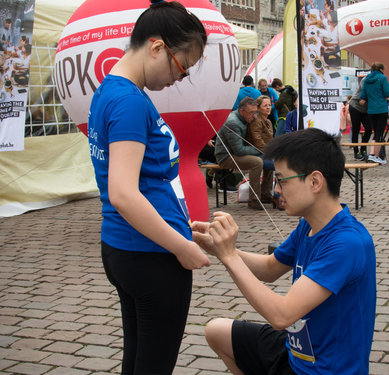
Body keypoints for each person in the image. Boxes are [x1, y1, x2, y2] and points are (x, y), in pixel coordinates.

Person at [87, 2, 211, 374]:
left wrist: (181, 227)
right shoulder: (128, 102)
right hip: (151, 256)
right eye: (182, 65)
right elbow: (123, 193)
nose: (180, 77)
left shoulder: (113, 92)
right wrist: (181, 246)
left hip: (131, 248)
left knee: (140, 362)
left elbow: (140, 181)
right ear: (157, 46)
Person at [192, 128, 377, 375]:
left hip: (325, 370)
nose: (277, 190)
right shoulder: (309, 224)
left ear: (314, 181)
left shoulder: (347, 243)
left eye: (282, 180)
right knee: (217, 331)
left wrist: (230, 256)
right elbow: (270, 268)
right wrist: (218, 248)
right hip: (296, 352)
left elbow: (282, 316)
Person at [215, 97, 269, 210]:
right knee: (257, 162)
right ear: (241, 111)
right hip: (226, 156)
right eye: (251, 113)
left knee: (268, 160)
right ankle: (254, 199)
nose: (254, 116)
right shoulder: (233, 122)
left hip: (236, 153)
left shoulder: (245, 118)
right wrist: (260, 150)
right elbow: (239, 150)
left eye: (255, 112)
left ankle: (266, 194)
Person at [360, 62, 389, 165]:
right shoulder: (382, 78)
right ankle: (376, 156)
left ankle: (372, 154)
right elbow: (387, 93)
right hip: (381, 108)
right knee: (379, 133)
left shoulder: (366, 79)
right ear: (381, 69)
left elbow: (363, 94)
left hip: (371, 110)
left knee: (375, 132)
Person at [246, 95, 274, 203]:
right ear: (258, 108)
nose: (268, 107)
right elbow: (258, 142)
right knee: (276, 164)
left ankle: (266, 193)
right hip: (254, 152)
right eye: (265, 105)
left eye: (269, 105)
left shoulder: (268, 121)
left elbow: (271, 141)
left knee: (276, 161)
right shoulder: (256, 121)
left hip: (264, 152)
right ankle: (257, 197)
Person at [349, 77, 371, 159]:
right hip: (355, 106)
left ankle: (363, 148)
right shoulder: (365, 79)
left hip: (365, 109)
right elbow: (364, 89)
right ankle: (356, 151)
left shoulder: (380, 81)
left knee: (369, 128)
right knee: (356, 128)